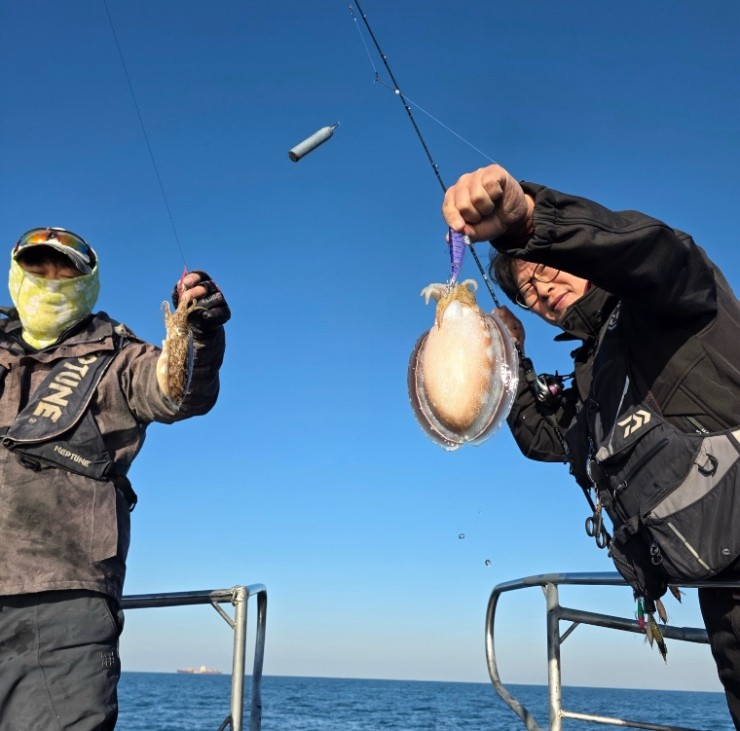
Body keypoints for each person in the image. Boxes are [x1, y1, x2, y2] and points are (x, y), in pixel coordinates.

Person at [442, 165, 740, 726]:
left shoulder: (664, 302)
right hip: (724, 597)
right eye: (527, 292)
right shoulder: (596, 376)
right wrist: (512, 359)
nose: (541, 290)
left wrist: (530, 223)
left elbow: (654, 253)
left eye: (545, 269)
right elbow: (546, 437)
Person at [0, 227, 230, 729]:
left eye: (65, 272)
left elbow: (177, 392)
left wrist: (199, 333)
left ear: (89, 283)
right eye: (38, 268)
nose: (50, 281)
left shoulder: (120, 356)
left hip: (62, 603)